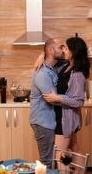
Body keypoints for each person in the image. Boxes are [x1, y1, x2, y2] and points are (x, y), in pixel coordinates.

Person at [43, 36, 90, 153]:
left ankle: (64, 171)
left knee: (60, 153)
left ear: (73, 52)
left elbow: (78, 102)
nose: (64, 50)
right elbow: (51, 57)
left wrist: (57, 98)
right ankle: (78, 171)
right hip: (64, 115)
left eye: (67, 48)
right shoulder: (66, 65)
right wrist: (41, 58)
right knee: (74, 148)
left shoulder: (77, 74)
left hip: (66, 118)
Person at [29, 38, 65, 168]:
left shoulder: (52, 68)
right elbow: (52, 99)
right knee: (47, 162)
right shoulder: (43, 73)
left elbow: (70, 60)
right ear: (51, 50)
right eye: (61, 47)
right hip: (42, 122)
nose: (63, 50)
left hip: (47, 121)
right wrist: (73, 101)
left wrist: (42, 55)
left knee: (50, 160)